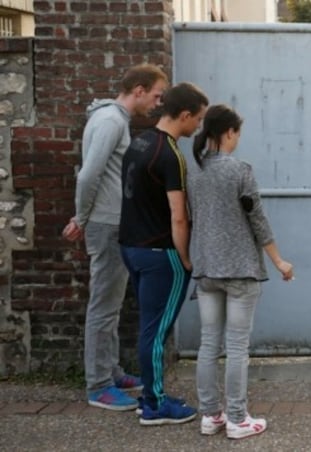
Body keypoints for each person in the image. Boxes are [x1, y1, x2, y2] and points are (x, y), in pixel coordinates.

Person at [62, 64, 169, 411]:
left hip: (113, 223)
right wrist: (82, 217)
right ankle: (99, 385)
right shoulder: (111, 121)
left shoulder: (112, 119)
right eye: (155, 95)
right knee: (104, 307)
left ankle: (112, 370)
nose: (157, 103)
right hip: (107, 224)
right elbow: (87, 175)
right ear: (138, 89)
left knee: (111, 304)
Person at [187, 105, 294, 439]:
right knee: (236, 347)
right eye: (237, 133)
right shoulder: (240, 170)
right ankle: (237, 419)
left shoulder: (196, 173)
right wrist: (279, 261)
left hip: (206, 270)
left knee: (208, 346)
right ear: (229, 132)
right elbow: (256, 218)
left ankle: (210, 416)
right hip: (240, 271)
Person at [119, 82, 209, 426]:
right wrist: (185, 258)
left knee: (149, 328)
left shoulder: (140, 141)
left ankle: (151, 395)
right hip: (160, 254)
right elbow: (178, 214)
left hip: (132, 247)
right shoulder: (170, 154)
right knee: (155, 333)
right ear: (184, 115)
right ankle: (154, 404)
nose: (198, 126)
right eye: (197, 119)